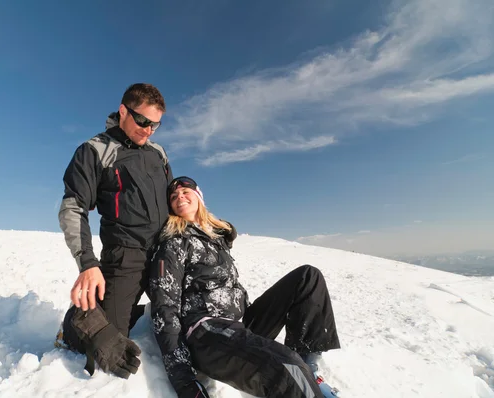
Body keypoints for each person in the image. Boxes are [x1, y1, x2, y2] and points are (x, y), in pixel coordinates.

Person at [149, 176, 341, 398]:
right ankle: (303, 380)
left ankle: (310, 369)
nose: (179, 197)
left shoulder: (214, 238)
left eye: (185, 193)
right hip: (207, 333)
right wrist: (182, 376)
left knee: (308, 277)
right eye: (173, 197)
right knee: (288, 367)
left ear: (199, 197)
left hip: (241, 323)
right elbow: (164, 308)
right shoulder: (173, 244)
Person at [56, 83, 173, 378]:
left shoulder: (157, 153)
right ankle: (75, 324)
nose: (148, 130)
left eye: (155, 125)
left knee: (184, 325)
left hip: (164, 253)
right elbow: (73, 208)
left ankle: (131, 309)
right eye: (142, 121)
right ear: (123, 110)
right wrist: (87, 263)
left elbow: (173, 201)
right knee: (111, 343)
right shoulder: (95, 150)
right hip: (126, 256)